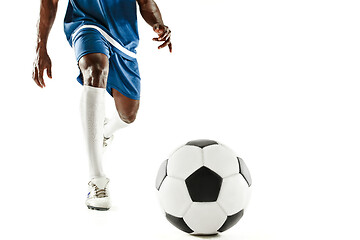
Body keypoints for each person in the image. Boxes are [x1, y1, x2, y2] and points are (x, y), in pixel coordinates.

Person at [32, 0, 172, 211]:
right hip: (85, 23)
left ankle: (104, 131)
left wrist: (158, 24)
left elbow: (145, 2)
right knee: (94, 68)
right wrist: (41, 47)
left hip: (123, 36)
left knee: (128, 115)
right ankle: (96, 180)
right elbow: (49, 2)